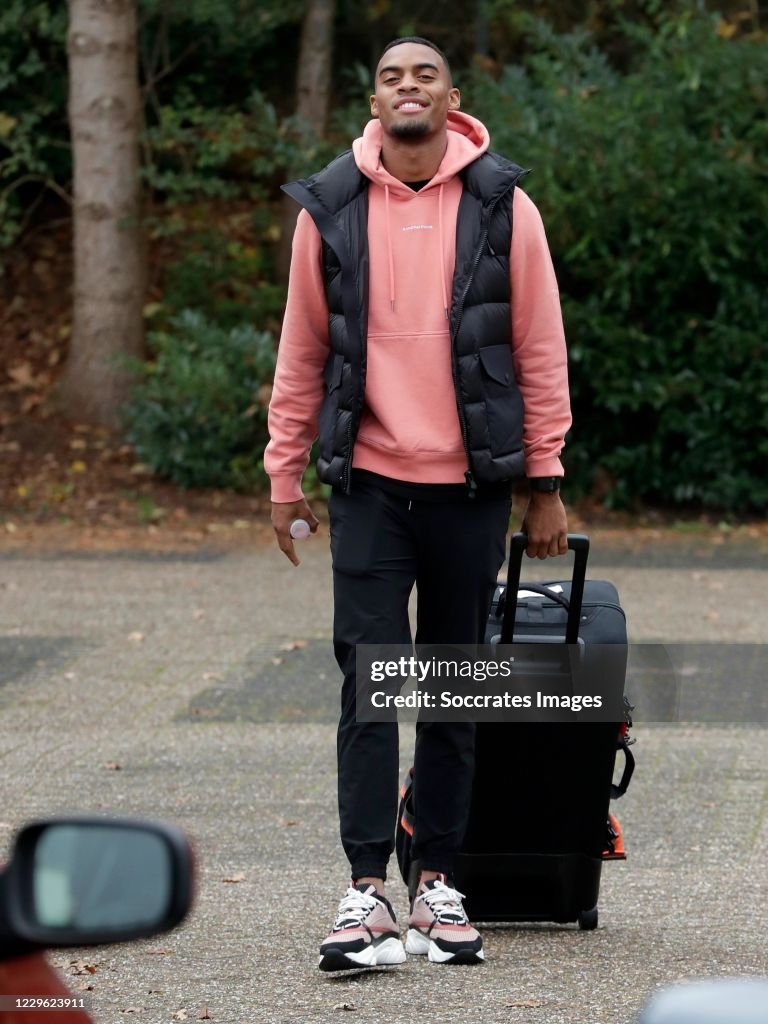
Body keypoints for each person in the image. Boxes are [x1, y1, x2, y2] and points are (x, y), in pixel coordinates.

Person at [265, 36, 571, 970]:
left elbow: (538, 347)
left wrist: (545, 482)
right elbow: (302, 349)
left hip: (469, 489)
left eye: (424, 75)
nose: (409, 87)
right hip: (367, 486)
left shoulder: (503, 206)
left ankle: (437, 884)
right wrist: (284, 474)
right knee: (370, 687)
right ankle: (365, 894)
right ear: (375, 100)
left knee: (450, 690)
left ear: (451, 97)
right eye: (392, 76)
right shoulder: (329, 208)